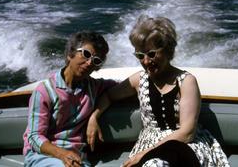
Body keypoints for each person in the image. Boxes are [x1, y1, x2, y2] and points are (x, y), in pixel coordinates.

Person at [87, 15, 230, 167]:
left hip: (183, 144)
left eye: (151, 54)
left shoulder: (186, 82)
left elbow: (187, 132)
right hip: (149, 143)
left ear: (168, 50)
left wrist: (145, 153)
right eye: (140, 56)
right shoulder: (138, 80)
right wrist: (94, 117)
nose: (146, 61)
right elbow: (109, 96)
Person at [23, 31, 116, 167]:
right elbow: (34, 137)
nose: (90, 62)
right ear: (70, 53)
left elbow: (130, 84)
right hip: (42, 156)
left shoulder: (94, 87)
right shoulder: (44, 91)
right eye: (86, 54)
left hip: (77, 159)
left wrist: (94, 116)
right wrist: (62, 154)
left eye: (96, 61)